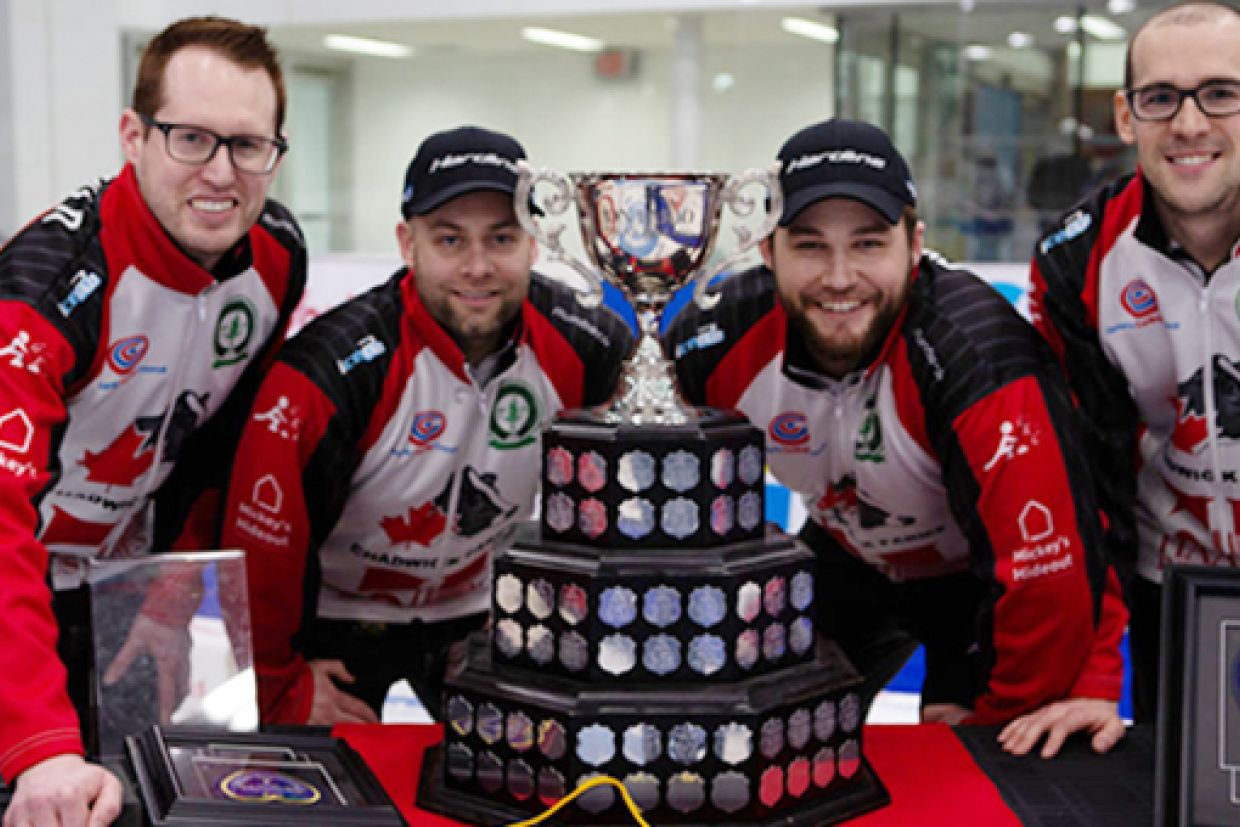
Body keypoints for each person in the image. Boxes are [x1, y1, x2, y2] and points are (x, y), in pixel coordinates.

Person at [665, 118, 1128, 758]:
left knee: (964, 759)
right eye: (808, 246)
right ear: (768, 252)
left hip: (975, 581)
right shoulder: (711, 340)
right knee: (764, 739)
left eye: (867, 244)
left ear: (913, 245)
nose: (839, 277)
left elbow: (1051, 561)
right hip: (846, 554)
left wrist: (997, 724)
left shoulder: (978, 355)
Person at [220, 126, 634, 726]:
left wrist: (558, 606)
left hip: (487, 612)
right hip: (337, 620)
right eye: (449, 239)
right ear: (407, 245)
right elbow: (261, 544)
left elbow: (618, 509)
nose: (477, 267)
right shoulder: (331, 367)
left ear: (533, 243)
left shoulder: (588, 342)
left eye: (502, 238)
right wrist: (278, 682)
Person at [0, 16, 305, 827]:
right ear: (133, 136)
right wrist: (36, 742)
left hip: (121, 595)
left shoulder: (276, 255)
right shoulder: (43, 290)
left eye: (249, 145)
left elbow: (217, 451)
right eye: (192, 139)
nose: (221, 173)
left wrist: (173, 597)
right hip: (14, 601)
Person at [1029, 1, 1240, 723]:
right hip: (1169, 592)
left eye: (1222, 93)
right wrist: (1093, 675)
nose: (1189, 124)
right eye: (1161, 98)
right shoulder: (1078, 259)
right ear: (1127, 117)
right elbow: (1089, 475)